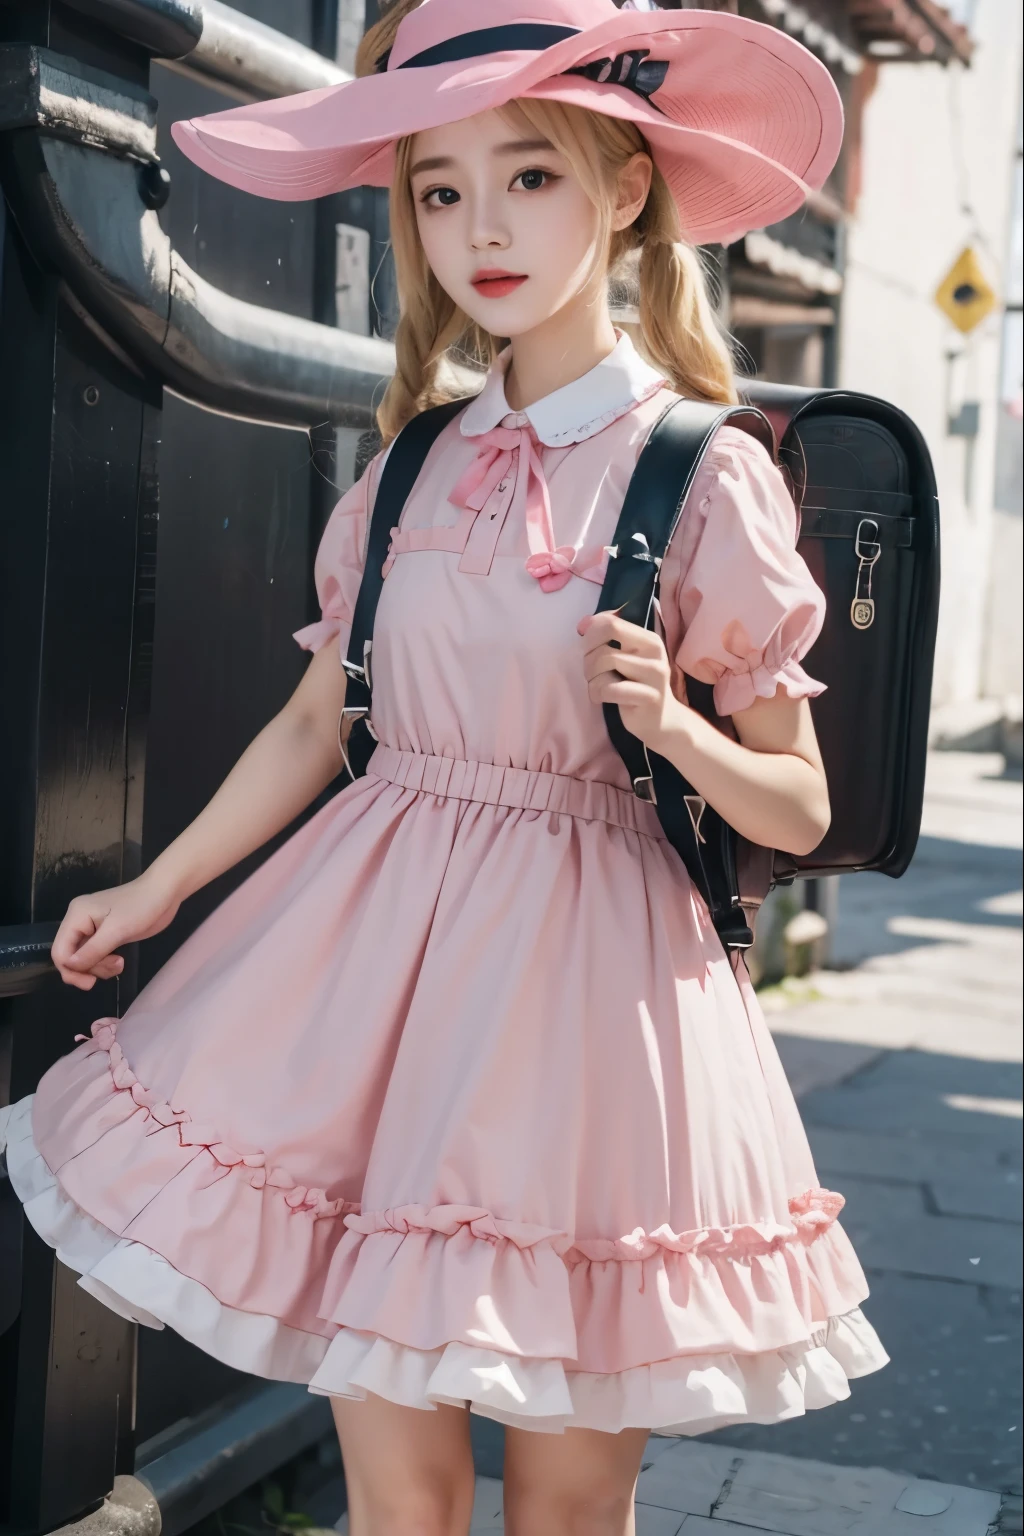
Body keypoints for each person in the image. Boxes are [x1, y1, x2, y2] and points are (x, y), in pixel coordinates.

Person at [0, 2, 888, 1531]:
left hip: (594, 1022)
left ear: (622, 193)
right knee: (398, 1496)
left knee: (564, 1505)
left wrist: (672, 729)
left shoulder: (703, 470)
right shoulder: (413, 456)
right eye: (440, 188)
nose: (482, 226)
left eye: (530, 177)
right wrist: (157, 887)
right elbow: (313, 725)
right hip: (376, 1000)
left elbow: (800, 803)